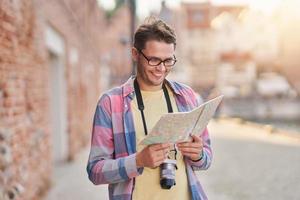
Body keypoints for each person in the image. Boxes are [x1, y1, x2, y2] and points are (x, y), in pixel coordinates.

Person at [87, 17, 212, 200]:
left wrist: (198, 155)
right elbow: (95, 171)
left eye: (168, 61)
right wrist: (137, 161)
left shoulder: (188, 96)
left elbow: (206, 159)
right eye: (154, 60)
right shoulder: (110, 103)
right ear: (135, 54)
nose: (161, 68)